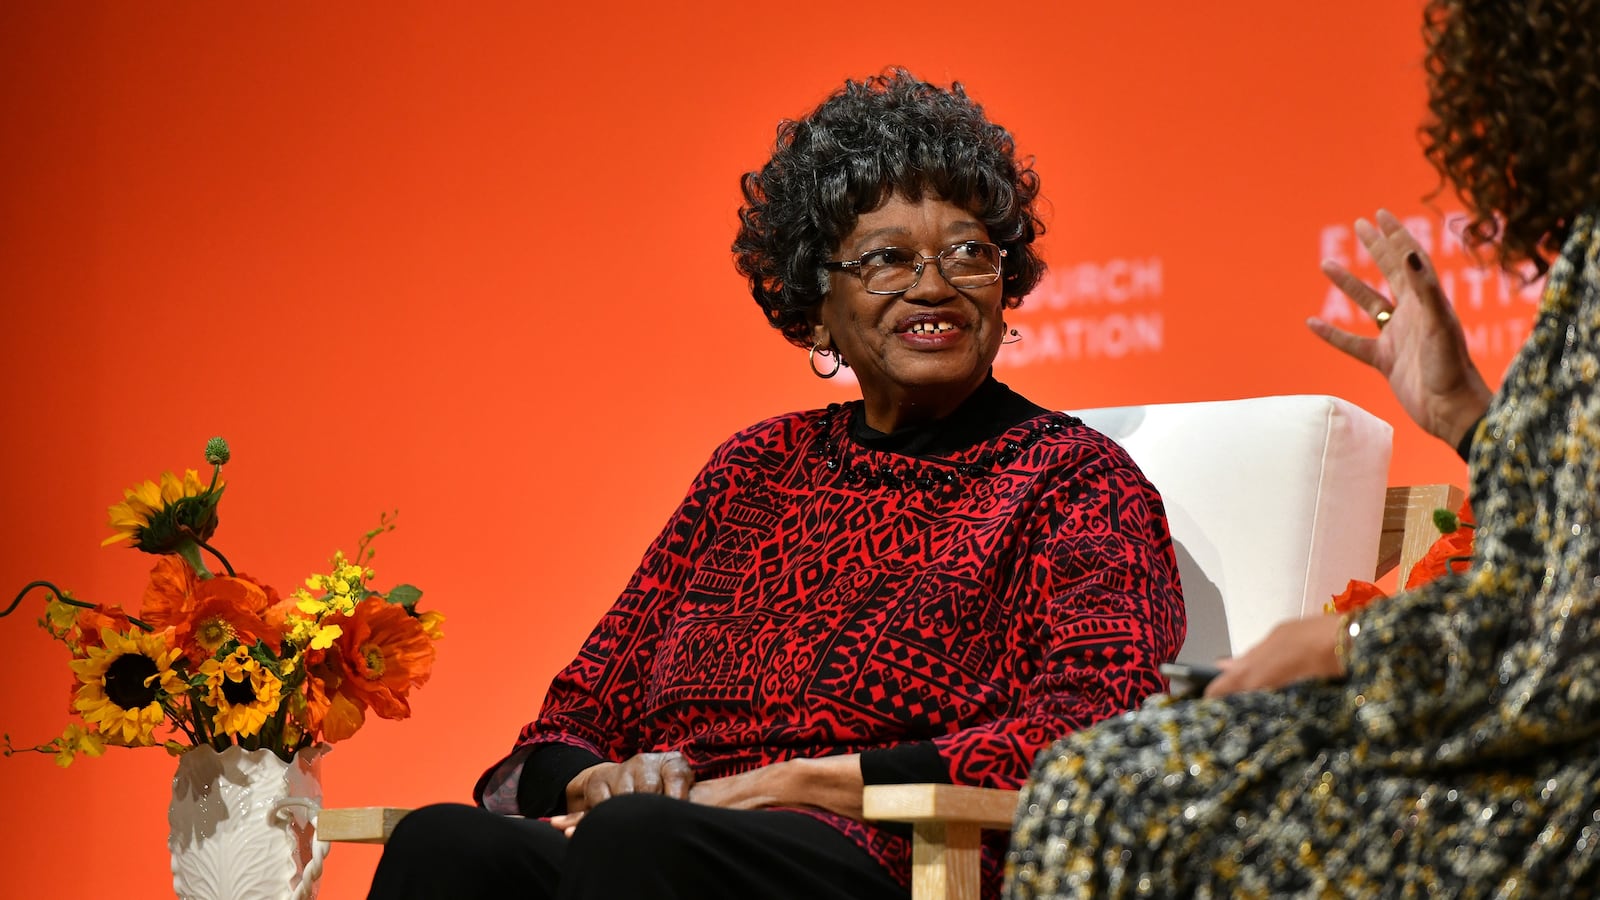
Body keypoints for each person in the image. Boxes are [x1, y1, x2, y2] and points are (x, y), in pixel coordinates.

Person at [367, 70, 1186, 900]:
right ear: (815, 305)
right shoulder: (753, 468)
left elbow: (1099, 731)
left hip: (893, 855)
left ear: (1005, 286)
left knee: (640, 841)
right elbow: (567, 727)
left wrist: (802, 781)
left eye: (968, 252)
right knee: (445, 846)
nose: (934, 286)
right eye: (887, 260)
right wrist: (594, 782)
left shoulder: (1071, 480)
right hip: (661, 836)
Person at [1005, 1, 1600, 896]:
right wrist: (1470, 418)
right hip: (1518, 726)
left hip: (1556, 781)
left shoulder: (1074, 477)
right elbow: (1563, 541)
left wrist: (1350, 642)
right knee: (1106, 778)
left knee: (1100, 792)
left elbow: (1570, 634)